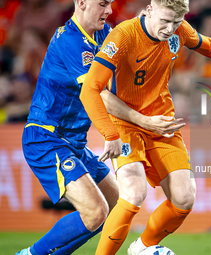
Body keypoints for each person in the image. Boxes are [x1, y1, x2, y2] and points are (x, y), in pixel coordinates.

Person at [80, 0, 211, 254]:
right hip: (126, 123)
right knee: (133, 193)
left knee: (184, 199)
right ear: (149, 9)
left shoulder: (180, 30)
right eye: (165, 21)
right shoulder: (123, 35)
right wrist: (110, 133)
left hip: (163, 123)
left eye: (176, 22)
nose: (169, 29)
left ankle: (141, 248)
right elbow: (90, 89)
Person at [15, 0, 181, 254]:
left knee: (115, 206)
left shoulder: (104, 34)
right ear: (81, 3)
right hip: (47, 138)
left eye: (111, 4)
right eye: (103, 4)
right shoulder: (69, 41)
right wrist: (144, 122)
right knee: (95, 211)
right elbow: (99, 94)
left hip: (75, 143)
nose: (109, 10)